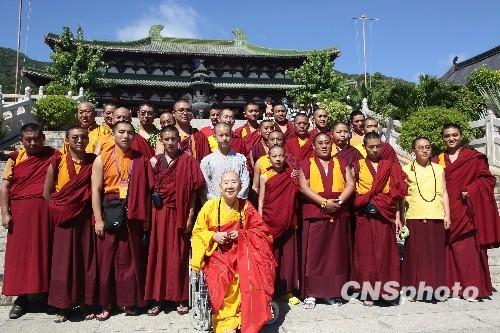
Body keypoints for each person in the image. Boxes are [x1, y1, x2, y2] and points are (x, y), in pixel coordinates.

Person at [190, 171, 276, 333]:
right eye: (226, 183)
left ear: (241, 186)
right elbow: (197, 233)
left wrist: (242, 234)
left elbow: (262, 233)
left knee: (251, 272)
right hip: (218, 255)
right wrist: (213, 236)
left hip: (243, 253)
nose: (230, 186)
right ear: (220, 187)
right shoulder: (210, 206)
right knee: (221, 275)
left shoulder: (246, 207)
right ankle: (226, 321)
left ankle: (244, 318)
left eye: (234, 182)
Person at [91, 121, 153, 320]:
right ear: (113, 134)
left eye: (129, 133)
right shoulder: (102, 158)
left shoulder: (140, 159)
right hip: (111, 208)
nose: (125, 136)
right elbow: (95, 190)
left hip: (133, 210)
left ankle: (128, 301)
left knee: (131, 258)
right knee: (107, 258)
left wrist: (146, 218)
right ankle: (106, 303)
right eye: (121, 132)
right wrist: (98, 219)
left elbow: (147, 191)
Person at [433, 124, 500, 300]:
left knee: (468, 250)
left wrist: (471, 189)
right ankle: (452, 287)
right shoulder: (437, 160)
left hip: (467, 211)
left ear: (461, 136)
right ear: (442, 138)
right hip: (446, 211)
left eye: (454, 135)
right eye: (447, 136)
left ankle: (473, 288)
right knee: (450, 250)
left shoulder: (474, 158)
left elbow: (487, 180)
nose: (451, 138)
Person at [1, 123, 60, 319]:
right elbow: (5, 187)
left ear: (43, 137)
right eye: (29, 139)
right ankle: (22, 299)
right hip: (21, 212)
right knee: (20, 255)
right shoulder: (15, 158)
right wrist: (5, 213)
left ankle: (48, 297)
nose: (33, 143)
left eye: (37, 138)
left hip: (46, 211)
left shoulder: (54, 156)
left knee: (47, 251)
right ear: (21, 140)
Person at [144, 125, 204, 315]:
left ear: (179, 139)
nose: (170, 142)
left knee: (178, 255)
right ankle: (157, 298)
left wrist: (190, 215)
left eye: (173, 139)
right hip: (159, 213)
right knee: (158, 254)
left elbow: (194, 190)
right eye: (166, 139)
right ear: (161, 141)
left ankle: (180, 297)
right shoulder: (155, 162)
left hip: (181, 212)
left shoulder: (188, 161)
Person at [43, 126, 97, 322]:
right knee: (62, 263)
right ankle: (62, 306)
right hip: (63, 218)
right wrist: (59, 210)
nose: (80, 141)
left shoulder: (93, 161)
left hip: (84, 216)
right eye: (75, 137)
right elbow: (47, 192)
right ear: (67, 140)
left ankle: (85, 303)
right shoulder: (57, 161)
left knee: (85, 260)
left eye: (83, 137)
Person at [298, 133, 355, 309]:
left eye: (327, 143)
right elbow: (303, 187)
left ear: (331, 145)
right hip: (316, 212)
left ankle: (334, 292)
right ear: (313, 146)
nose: (324, 146)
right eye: (320, 143)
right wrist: (323, 202)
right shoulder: (306, 163)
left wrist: (338, 202)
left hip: (338, 211)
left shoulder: (341, 162)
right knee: (315, 255)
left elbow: (350, 184)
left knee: (336, 255)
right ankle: (312, 293)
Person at [353, 132, 407, 306]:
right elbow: (353, 189)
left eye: (378, 146)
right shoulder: (358, 165)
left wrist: (398, 216)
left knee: (387, 254)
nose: (375, 150)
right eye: (371, 147)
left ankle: (387, 292)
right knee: (366, 255)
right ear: (365, 147)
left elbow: (397, 193)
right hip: (365, 215)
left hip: (386, 214)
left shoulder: (389, 165)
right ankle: (368, 293)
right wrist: (364, 201)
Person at [401, 137, 450, 301]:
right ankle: (413, 289)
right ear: (414, 151)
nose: (424, 150)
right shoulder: (406, 170)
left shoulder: (439, 168)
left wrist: (447, 214)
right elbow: (401, 197)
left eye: (427, 147)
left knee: (435, 255)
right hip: (415, 215)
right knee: (415, 255)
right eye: (420, 147)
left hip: (436, 215)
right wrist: (400, 218)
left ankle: (435, 289)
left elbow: (444, 192)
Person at [258, 145, 301, 305]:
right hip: (269, 221)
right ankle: (269, 289)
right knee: (270, 256)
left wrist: (296, 177)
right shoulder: (264, 176)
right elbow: (261, 200)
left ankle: (286, 291)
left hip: (288, 220)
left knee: (288, 257)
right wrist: (260, 221)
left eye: (281, 156)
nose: (278, 159)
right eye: (274, 156)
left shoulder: (291, 174)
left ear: (285, 157)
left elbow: (298, 191)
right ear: (269, 158)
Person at [200, 123, 250, 201]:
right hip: (215, 205)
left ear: (232, 136)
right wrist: (217, 203)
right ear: (214, 137)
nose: (224, 138)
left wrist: (237, 201)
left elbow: (245, 183)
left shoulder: (241, 159)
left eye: (227, 135)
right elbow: (206, 186)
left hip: (237, 204)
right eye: (221, 135)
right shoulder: (207, 161)